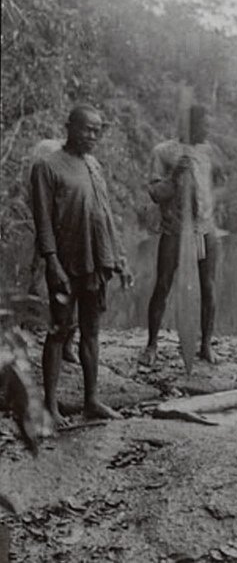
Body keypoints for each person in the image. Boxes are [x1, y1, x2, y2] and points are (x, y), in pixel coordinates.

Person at [30, 104, 134, 426]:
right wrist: (52, 263)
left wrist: (119, 258)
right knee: (59, 331)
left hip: (95, 261)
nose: (92, 135)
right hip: (65, 260)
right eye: (86, 128)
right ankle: (49, 405)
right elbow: (43, 221)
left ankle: (91, 400)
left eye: (97, 130)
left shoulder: (94, 165)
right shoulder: (47, 167)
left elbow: (105, 215)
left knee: (91, 332)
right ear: (69, 127)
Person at [139, 105, 223, 366]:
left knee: (208, 287)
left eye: (209, 125)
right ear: (190, 126)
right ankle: (152, 345)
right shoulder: (164, 152)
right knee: (163, 284)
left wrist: (210, 206)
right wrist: (175, 177)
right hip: (175, 229)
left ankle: (206, 345)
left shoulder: (210, 151)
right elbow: (155, 193)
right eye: (204, 125)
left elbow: (220, 185)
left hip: (205, 228)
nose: (208, 130)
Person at [22, 138, 79, 364]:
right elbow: (36, 201)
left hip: (71, 233)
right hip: (50, 228)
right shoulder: (44, 161)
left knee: (73, 285)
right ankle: (27, 329)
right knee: (38, 273)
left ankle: (68, 341)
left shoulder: (77, 164)